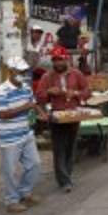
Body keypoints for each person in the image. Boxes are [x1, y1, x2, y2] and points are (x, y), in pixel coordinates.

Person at [34, 46, 91, 193]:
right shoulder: (47, 76)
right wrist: (48, 92)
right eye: (55, 60)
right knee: (59, 148)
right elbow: (39, 96)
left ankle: (67, 175)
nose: (57, 63)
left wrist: (76, 93)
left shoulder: (76, 74)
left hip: (73, 115)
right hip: (56, 116)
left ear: (66, 59)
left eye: (60, 60)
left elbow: (87, 91)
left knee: (70, 147)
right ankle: (64, 181)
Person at [0, 57, 43, 214]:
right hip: (9, 137)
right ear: (11, 71)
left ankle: (25, 192)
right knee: (10, 171)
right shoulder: (3, 90)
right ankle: (12, 200)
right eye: (20, 71)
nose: (23, 74)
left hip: (25, 132)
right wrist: (25, 107)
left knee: (35, 164)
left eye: (24, 71)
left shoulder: (26, 87)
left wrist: (42, 114)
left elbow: (33, 104)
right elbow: (2, 114)